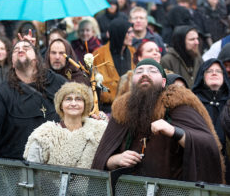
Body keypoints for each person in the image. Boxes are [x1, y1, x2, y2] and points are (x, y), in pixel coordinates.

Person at [92, 58, 224, 184]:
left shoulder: (178, 105)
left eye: (152, 71)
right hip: (129, 189)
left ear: (163, 82)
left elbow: (208, 145)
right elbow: (102, 157)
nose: (145, 74)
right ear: (133, 82)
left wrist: (174, 131)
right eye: (139, 71)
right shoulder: (122, 111)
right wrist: (115, 159)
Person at [0, 40, 67, 162]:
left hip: (53, 165)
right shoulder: (3, 92)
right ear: (12, 62)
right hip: (15, 168)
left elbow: (79, 105)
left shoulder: (58, 83)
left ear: (37, 59)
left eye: (26, 48)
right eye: (16, 50)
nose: (20, 50)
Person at [24, 82, 107, 168]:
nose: (73, 103)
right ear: (61, 105)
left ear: (85, 105)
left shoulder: (97, 130)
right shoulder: (45, 134)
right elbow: (31, 170)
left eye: (78, 99)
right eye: (68, 99)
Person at [192, 58, 230, 183]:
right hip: (200, 165)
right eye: (209, 71)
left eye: (218, 71)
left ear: (224, 76)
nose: (214, 73)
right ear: (202, 76)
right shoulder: (193, 102)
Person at [93, 18, 135, 113]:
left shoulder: (133, 53)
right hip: (107, 109)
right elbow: (97, 86)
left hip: (131, 107)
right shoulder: (98, 55)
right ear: (119, 33)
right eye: (129, 32)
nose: (133, 35)